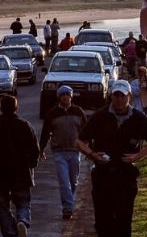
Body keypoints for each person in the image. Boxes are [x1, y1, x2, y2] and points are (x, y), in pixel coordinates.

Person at [76, 80, 147, 236]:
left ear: (129, 96)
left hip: (126, 175)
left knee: (124, 221)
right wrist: (92, 154)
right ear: (111, 96)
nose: (119, 99)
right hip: (103, 175)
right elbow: (80, 141)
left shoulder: (138, 118)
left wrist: (138, 156)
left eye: (123, 96)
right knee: (103, 221)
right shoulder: (100, 116)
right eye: (116, 95)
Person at [39, 86, 87, 220]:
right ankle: (68, 208)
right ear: (59, 97)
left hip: (75, 151)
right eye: (63, 95)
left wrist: (89, 148)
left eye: (67, 95)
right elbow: (45, 133)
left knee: (73, 181)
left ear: (71, 97)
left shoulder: (78, 112)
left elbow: (86, 131)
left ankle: (69, 202)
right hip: (59, 152)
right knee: (64, 181)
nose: (65, 97)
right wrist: (41, 149)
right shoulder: (52, 113)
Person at [0, 95, 39, 237]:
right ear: (16, 108)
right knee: (23, 202)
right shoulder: (25, 125)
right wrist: (31, 164)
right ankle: (22, 220)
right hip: (21, 173)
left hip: (1, 175)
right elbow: (35, 150)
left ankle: (10, 231)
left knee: (2, 206)